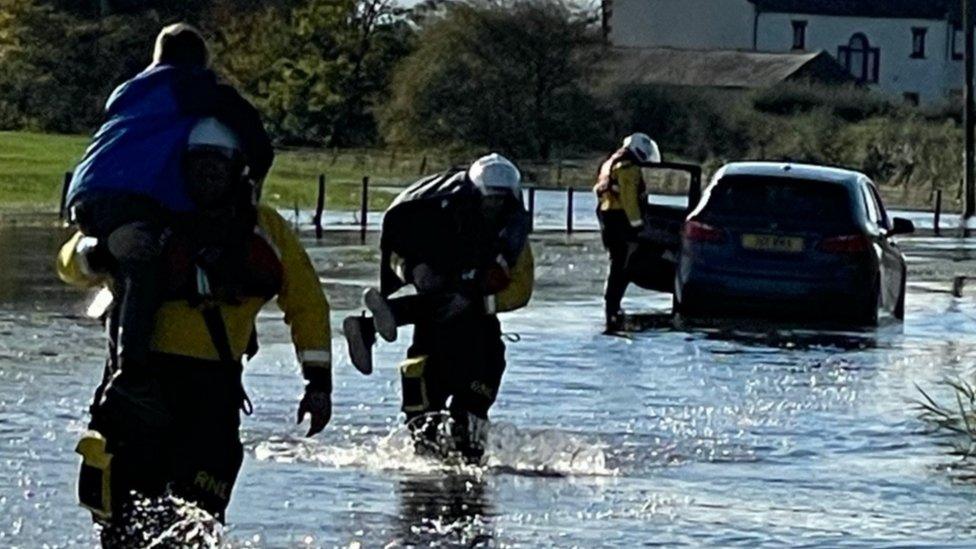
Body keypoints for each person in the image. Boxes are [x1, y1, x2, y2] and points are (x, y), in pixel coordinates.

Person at [58, 118, 332, 547]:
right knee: (120, 526)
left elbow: (307, 304)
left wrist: (318, 381)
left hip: (212, 400)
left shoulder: (266, 231)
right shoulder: (144, 217)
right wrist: (107, 247)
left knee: (197, 526)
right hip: (138, 388)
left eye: (216, 165)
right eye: (196, 164)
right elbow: (69, 264)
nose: (205, 175)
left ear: (237, 169)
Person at [65, 22, 274, 381]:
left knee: (125, 272)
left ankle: (117, 355)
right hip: (127, 198)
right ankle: (131, 376)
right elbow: (249, 126)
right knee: (145, 271)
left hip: (88, 192)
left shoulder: (132, 91)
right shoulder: (188, 86)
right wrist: (256, 171)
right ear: (199, 62)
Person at [343, 154, 534, 462]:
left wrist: (474, 302)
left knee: (470, 426)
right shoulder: (437, 223)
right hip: (431, 338)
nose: (494, 208)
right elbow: (400, 252)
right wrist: (410, 272)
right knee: (422, 429)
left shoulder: (514, 238)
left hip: (478, 336)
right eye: (489, 200)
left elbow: (522, 289)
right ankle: (372, 325)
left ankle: (371, 325)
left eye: (501, 201)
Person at [594, 133, 661, 330]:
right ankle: (613, 307)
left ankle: (612, 306)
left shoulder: (611, 163)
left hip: (608, 218)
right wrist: (637, 225)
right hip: (619, 220)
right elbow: (630, 199)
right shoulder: (629, 168)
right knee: (621, 266)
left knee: (618, 263)